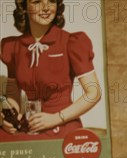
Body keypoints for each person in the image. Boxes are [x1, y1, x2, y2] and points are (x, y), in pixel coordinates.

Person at [0, 0, 101, 141]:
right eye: (37, 2)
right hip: (28, 125)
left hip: (63, 125)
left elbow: (94, 92)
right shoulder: (13, 46)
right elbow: (13, 92)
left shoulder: (72, 42)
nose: (46, 8)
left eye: (52, 1)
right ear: (23, 7)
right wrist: (10, 117)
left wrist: (56, 118)